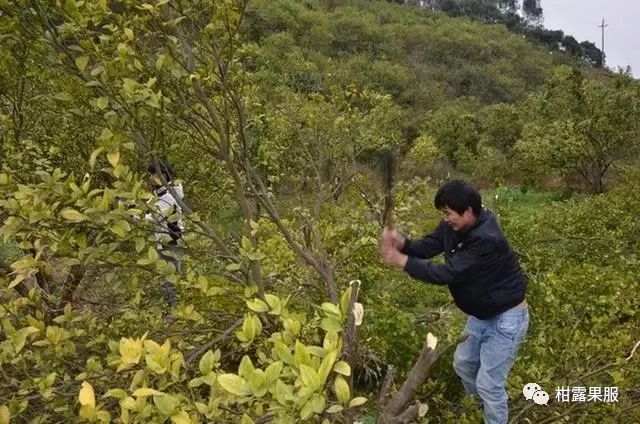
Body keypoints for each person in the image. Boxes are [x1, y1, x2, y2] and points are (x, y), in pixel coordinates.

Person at [380, 179, 528, 424]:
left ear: (468, 211)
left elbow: (444, 274)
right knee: (464, 363)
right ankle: (480, 411)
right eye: (443, 213)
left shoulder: (486, 239)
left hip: (507, 318)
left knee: (490, 383)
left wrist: (402, 261)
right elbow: (430, 245)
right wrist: (403, 244)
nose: (445, 218)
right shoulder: (455, 225)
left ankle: (493, 415)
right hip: (482, 315)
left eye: (448, 213)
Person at [145, 159, 184, 309]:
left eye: (154, 174)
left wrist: (132, 216)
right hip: (166, 241)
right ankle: (171, 308)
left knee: (170, 277)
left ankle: (174, 311)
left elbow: (153, 218)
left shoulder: (168, 196)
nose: (150, 178)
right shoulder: (163, 193)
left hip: (169, 242)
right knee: (169, 276)